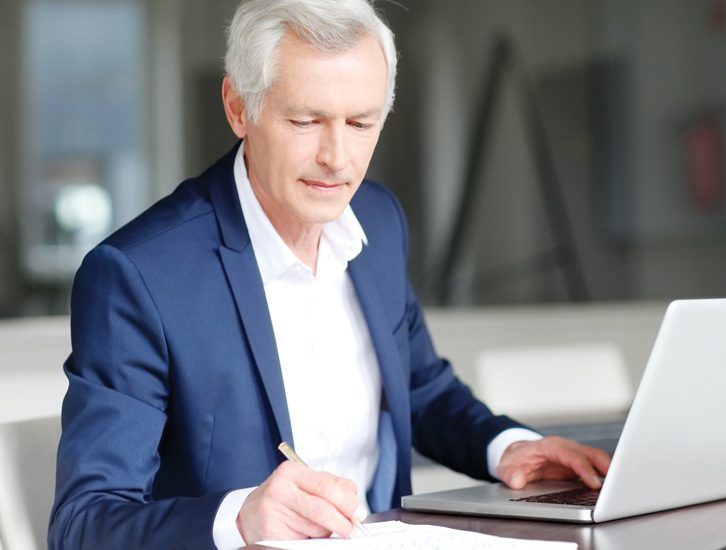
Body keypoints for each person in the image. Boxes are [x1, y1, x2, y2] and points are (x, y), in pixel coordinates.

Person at [49, 0, 610, 548]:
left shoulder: (380, 221)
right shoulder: (138, 276)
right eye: (306, 120)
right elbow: (84, 524)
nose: (337, 158)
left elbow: (420, 389)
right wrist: (241, 517)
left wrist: (506, 447)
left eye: (361, 122)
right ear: (238, 108)